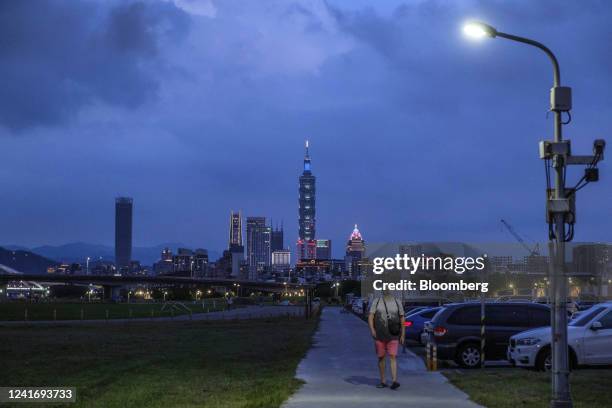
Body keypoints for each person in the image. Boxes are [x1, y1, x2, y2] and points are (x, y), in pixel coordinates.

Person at [368, 290, 405, 390]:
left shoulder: (397, 302)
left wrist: (403, 334)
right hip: (379, 335)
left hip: (393, 335)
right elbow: (371, 316)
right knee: (381, 358)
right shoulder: (376, 301)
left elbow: (402, 318)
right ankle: (383, 381)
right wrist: (372, 330)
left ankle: (394, 381)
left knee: (393, 357)